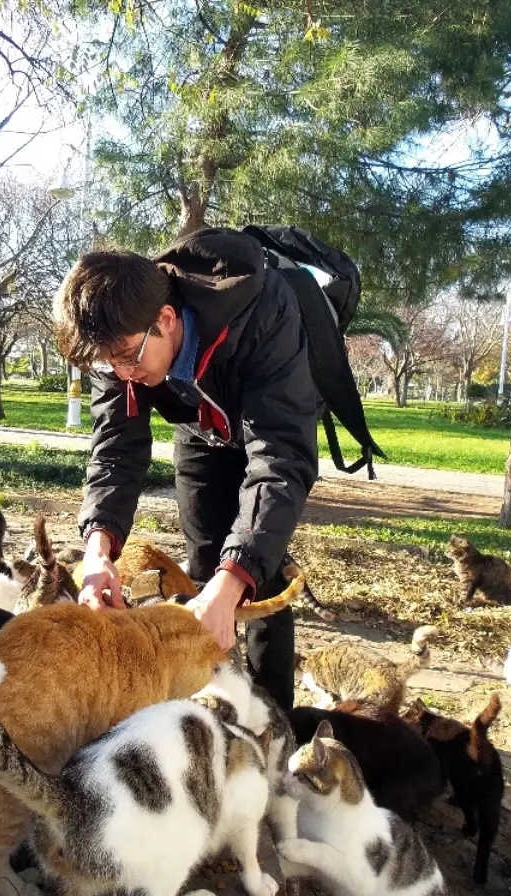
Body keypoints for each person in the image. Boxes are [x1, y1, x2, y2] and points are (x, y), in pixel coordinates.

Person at [52, 227, 318, 712]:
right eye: (107, 367)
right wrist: (98, 553)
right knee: (205, 570)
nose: (123, 374)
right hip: (202, 427)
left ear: (167, 319)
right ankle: (212, 705)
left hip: (269, 423)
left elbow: (282, 458)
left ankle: (273, 719)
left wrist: (236, 576)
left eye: (129, 357)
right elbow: (115, 449)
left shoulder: (263, 311)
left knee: (255, 570)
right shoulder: (118, 348)